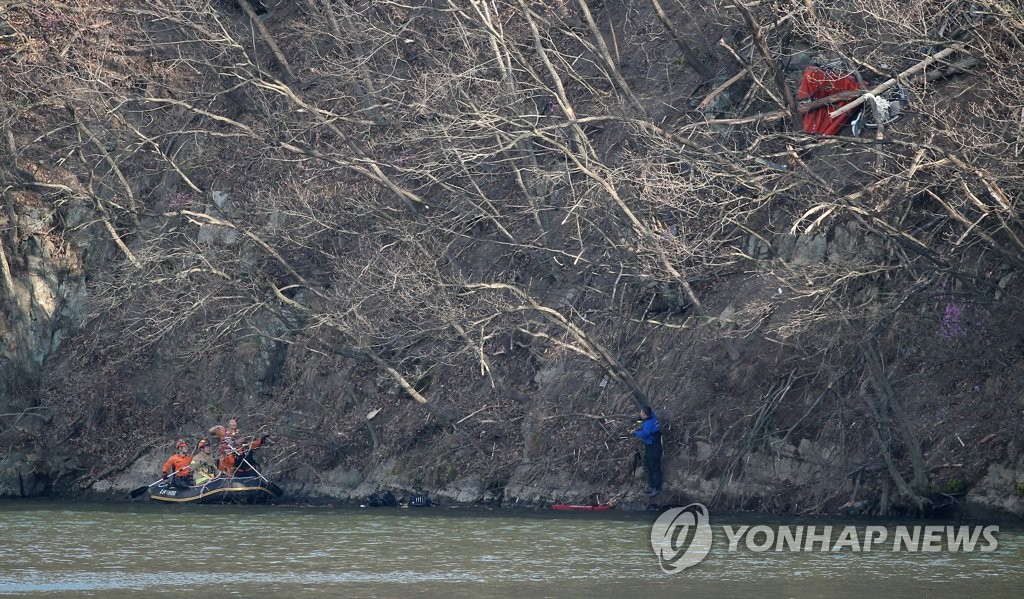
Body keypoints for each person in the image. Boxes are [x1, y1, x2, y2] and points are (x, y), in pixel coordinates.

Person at [633, 405, 662, 497]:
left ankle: (657, 488)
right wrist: (637, 423)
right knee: (648, 465)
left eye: (641, 412)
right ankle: (651, 486)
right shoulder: (652, 416)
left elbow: (645, 434)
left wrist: (635, 432)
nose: (639, 413)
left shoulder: (649, 423)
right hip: (649, 446)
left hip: (654, 447)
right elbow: (640, 421)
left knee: (654, 467)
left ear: (645, 415)